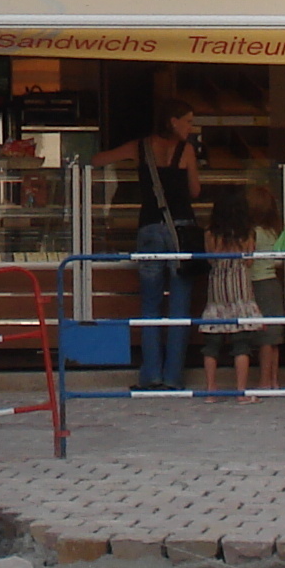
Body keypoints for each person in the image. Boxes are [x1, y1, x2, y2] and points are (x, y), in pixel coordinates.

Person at [101, 106, 201, 393]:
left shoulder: (140, 147)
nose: (191, 128)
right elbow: (195, 190)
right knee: (180, 307)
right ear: (173, 120)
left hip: (149, 229)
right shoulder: (187, 151)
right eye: (189, 121)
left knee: (150, 306)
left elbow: (99, 159)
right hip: (181, 230)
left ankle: (151, 376)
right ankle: (173, 378)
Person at [195, 180, 265, 399]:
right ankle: (241, 391)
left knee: (212, 345)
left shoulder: (211, 233)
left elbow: (209, 260)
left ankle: (210, 390)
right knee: (241, 344)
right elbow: (250, 262)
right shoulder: (247, 233)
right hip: (240, 290)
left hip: (217, 292)